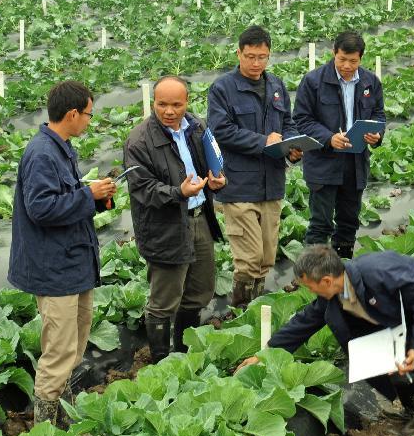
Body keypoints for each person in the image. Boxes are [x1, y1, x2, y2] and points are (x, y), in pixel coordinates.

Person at [236, 246, 414, 436]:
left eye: (311, 287)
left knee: (407, 360)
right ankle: (413, 413)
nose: (311, 292)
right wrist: (265, 353)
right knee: (391, 358)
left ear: (325, 281)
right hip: (403, 317)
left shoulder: (380, 272)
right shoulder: (334, 290)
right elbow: (306, 321)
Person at [8, 81, 117, 426]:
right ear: (72, 114)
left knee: (75, 341)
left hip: (73, 263)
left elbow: (62, 202)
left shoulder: (61, 147)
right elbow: (40, 208)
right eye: (88, 114)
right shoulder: (42, 153)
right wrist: (88, 195)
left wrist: (95, 196)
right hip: (54, 269)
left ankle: (62, 409)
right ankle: (45, 425)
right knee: (58, 350)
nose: (89, 121)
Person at [124, 76, 226, 363]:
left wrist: (216, 181)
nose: (169, 111)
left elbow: (212, 163)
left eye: (176, 105)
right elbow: (143, 189)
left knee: (199, 291)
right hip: (165, 227)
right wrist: (177, 192)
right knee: (164, 301)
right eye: (162, 104)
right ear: (153, 102)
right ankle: (159, 361)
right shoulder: (139, 141)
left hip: (199, 218)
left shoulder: (197, 127)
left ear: (187, 102)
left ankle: (183, 354)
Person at [208, 25, 301, 308]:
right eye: (250, 56)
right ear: (238, 53)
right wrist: (264, 141)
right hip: (239, 186)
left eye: (262, 57)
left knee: (266, 258)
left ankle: (254, 310)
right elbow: (220, 130)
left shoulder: (276, 86)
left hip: (271, 184)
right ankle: (241, 312)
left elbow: (288, 124)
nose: (256, 63)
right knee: (248, 260)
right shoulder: (223, 88)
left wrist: (294, 147)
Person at [293, 31, 385, 259]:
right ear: (334, 53)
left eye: (353, 61)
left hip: (355, 164)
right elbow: (302, 119)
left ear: (361, 59)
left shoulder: (370, 82)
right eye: (342, 59)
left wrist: (377, 133)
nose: (347, 65)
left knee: (349, 221)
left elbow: (379, 114)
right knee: (321, 223)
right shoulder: (313, 81)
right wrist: (328, 137)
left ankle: (343, 268)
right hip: (324, 164)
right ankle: (313, 276)